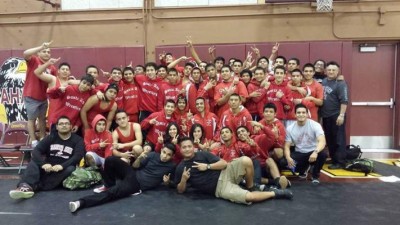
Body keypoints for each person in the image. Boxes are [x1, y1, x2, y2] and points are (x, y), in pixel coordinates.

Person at [175, 137, 293, 205]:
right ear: (180, 149)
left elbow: (224, 163)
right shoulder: (180, 167)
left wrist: (208, 167)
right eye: (184, 147)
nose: (187, 149)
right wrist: (184, 180)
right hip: (220, 188)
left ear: (193, 147)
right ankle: (277, 193)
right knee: (249, 198)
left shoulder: (203, 154)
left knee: (246, 160)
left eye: (189, 146)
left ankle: (251, 186)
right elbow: (180, 190)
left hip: (225, 172)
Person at [69, 143, 177, 212]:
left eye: (168, 155)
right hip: (132, 173)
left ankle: (80, 202)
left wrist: (167, 183)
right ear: (161, 150)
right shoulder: (153, 155)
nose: (164, 156)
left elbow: (174, 184)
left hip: (136, 185)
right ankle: (109, 184)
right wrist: (139, 158)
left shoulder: (172, 166)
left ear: (172, 156)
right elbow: (135, 166)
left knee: (112, 193)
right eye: (164, 152)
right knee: (110, 159)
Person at [9, 116, 85, 199]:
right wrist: (43, 164)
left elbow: (78, 156)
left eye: (67, 124)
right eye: (61, 124)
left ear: (71, 126)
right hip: (48, 167)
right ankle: (25, 186)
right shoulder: (51, 137)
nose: (64, 125)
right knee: (34, 161)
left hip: (62, 170)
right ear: (57, 127)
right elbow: (36, 151)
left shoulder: (78, 140)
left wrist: (62, 166)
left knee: (71, 168)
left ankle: (32, 187)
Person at [23, 40, 57, 147]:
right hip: (31, 96)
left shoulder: (52, 67)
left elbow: (55, 82)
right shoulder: (34, 60)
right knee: (32, 119)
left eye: (48, 52)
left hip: (43, 97)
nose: (47, 53)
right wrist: (41, 46)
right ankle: (33, 141)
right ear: (39, 53)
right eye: (44, 51)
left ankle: (42, 138)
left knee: (42, 119)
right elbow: (26, 53)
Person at [284, 104, 327, 184]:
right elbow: (286, 146)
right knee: (283, 162)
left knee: (323, 154)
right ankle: (303, 169)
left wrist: (315, 152)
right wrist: (288, 157)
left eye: (303, 112)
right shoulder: (290, 128)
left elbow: (322, 141)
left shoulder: (315, 125)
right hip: (300, 153)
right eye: (299, 112)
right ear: (295, 114)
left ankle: (315, 175)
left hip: (313, 152)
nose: (301, 114)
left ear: (307, 114)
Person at [320, 61, 348, 169]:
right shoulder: (324, 81)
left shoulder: (341, 83)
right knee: (330, 139)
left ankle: (340, 162)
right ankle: (334, 158)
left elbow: (344, 101)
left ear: (338, 71)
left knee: (338, 139)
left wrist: (341, 115)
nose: (331, 72)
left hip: (336, 115)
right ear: (326, 71)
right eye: (329, 70)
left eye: (333, 70)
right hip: (326, 116)